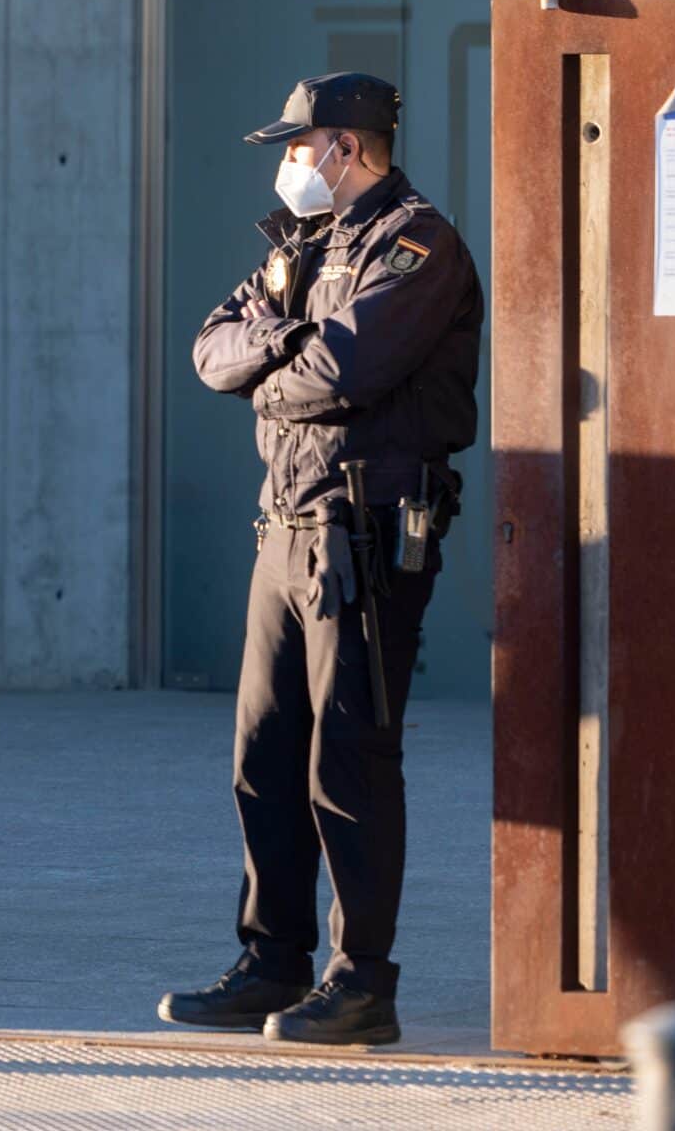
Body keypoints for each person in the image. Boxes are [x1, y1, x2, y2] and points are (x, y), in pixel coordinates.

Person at [157, 73, 484, 1046]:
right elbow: (210, 350)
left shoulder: (415, 244)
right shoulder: (300, 244)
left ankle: (360, 982)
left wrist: (271, 364)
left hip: (365, 530)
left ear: (344, 147)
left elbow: (343, 372)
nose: (289, 163)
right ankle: (271, 960)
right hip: (284, 523)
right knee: (262, 757)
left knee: (347, 756)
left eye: (298, 146)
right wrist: (282, 348)